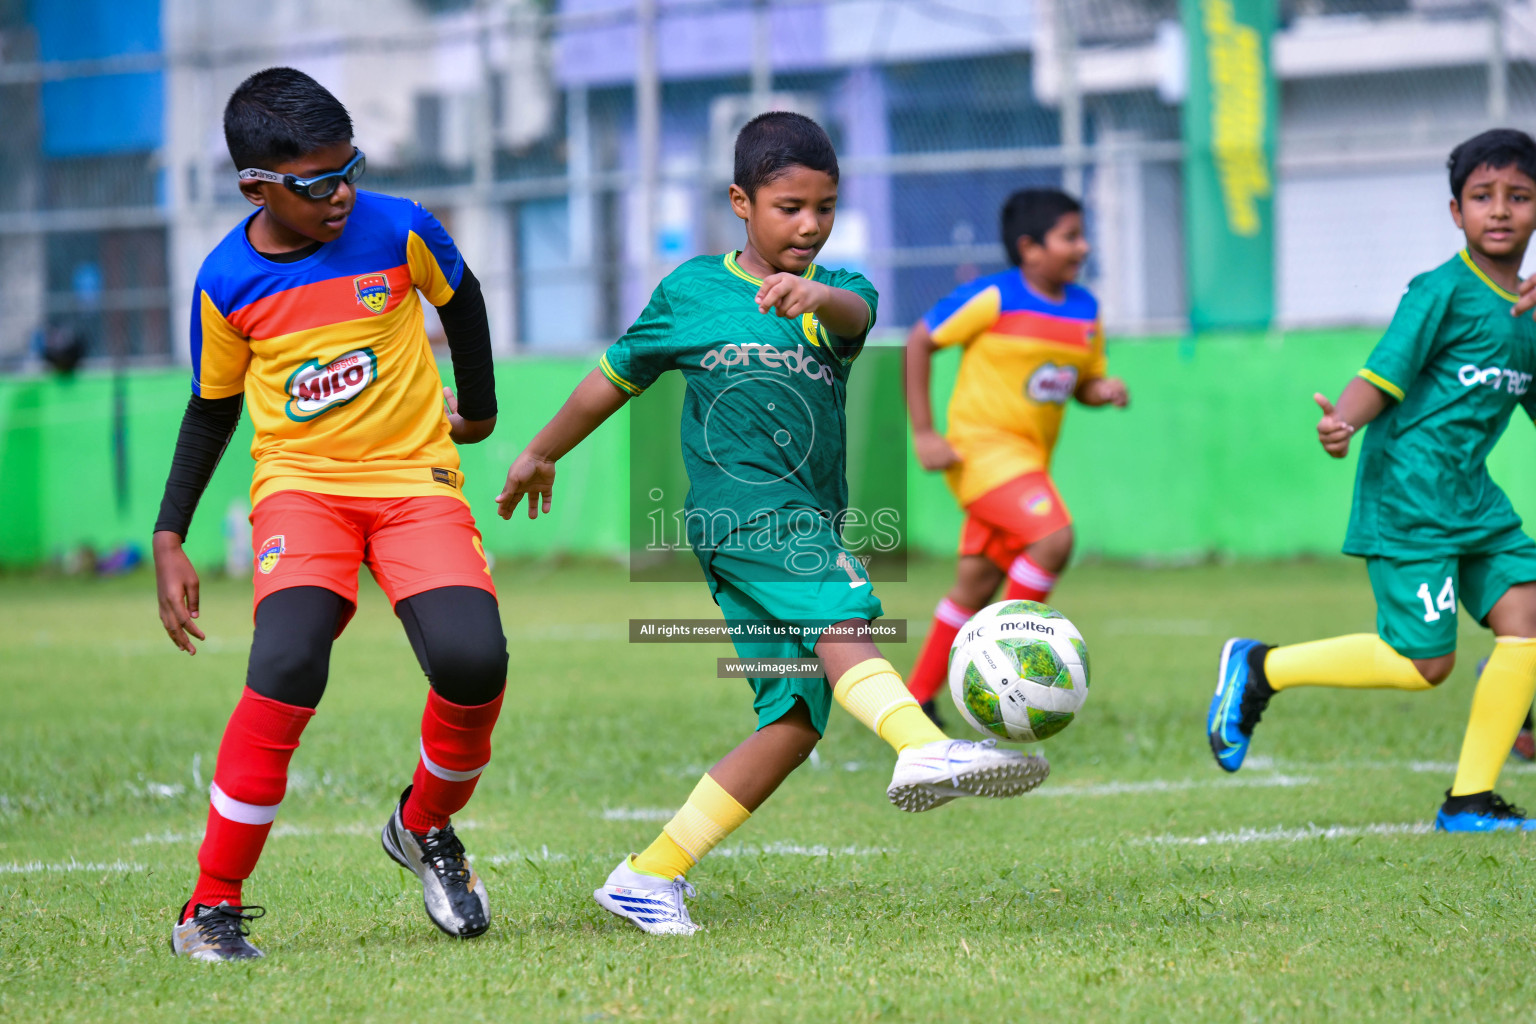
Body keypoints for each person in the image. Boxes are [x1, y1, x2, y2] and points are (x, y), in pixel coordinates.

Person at [495, 111, 1049, 936]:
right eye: (789, 207)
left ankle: (650, 875)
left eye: (825, 207)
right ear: (741, 203)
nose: (810, 224)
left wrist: (816, 292)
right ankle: (920, 743)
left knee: (793, 720)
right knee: (842, 613)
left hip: (804, 512)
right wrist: (541, 452)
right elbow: (613, 378)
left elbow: (854, 319)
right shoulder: (690, 291)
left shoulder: (844, 291)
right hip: (742, 511)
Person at [154, 67, 508, 961]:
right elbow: (211, 409)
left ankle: (424, 825)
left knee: (474, 663)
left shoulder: (399, 228)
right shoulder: (226, 280)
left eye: (348, 168)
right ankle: (210, 907)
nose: (341, 192)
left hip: (414, 482)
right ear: (255, 186)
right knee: (287, 659)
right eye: (315, 183)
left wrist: (483, 410)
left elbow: (461, 301)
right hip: (302, 490)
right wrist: (170, 536)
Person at [1208, 128, 1536, 832]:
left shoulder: (1530, 316)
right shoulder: (1440, 291)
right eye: (1483, 197)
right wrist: (1345, 422)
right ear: (1457, 212)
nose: (1501, 210)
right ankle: (1262, 667)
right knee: (1426, 664)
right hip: (1410, 497)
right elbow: (1382, 370)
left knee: (1527, 617)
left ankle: (1470, 803)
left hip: (1472, 499)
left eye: (1519, 197)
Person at [902, 189, 1128, 722]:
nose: (1083, 247)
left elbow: (1080, 385)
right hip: (980, 453)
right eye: (1069, 237)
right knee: (1054, 538)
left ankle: (915, 703)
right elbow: (918, 341)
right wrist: (924, 432)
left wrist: (1104, 391)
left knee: (975, 584)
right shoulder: (993, 298)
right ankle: (1011, 662)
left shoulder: (1086, 309)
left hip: (1028, 464)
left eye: (1082, 234)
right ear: (1029, 247)